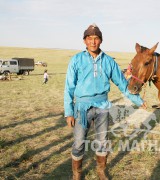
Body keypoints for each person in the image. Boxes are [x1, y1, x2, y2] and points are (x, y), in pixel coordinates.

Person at [64, 23, 147, 180]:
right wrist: (69, 112)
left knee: (102, 141)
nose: (93, 42)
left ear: (101, 40)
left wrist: (137, 99)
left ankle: (101, 171)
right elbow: (69, 87)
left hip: (102, 106)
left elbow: (123, 85)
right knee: (79, 142)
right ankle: (77, 174)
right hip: (82, 108)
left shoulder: (109, 61)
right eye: (89, 38)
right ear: (84, 41)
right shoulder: (76, 60)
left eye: (96, 38)